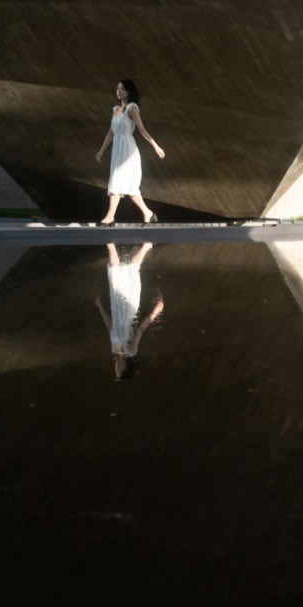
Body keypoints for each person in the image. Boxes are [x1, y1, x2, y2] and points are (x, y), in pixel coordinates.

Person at [94, 78, 165, 225]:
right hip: (117, 149)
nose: (119, 92)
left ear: (129, 92)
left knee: (117, 180)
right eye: (117, 89)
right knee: (127, 186)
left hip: (127, 150)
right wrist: (102, 151)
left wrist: (155, 146)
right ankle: (148, 214)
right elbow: (110, 133)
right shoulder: (116, 109)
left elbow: (142, 130)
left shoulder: (132, 108)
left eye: (122, 89)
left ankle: (110, 217)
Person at [94, 243, 164, 380]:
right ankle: (145, 247)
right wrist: (156, 312)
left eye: (116, 370)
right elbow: (140, 331)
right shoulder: (131, 351)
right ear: (125, 368)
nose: (116, 368)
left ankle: (110, 241)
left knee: (114, 272)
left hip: (116, 308)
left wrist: (100, 307)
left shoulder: (115, 351)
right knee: (131, 271)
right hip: (128, 309)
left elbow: (110, 326)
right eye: (118, 370)